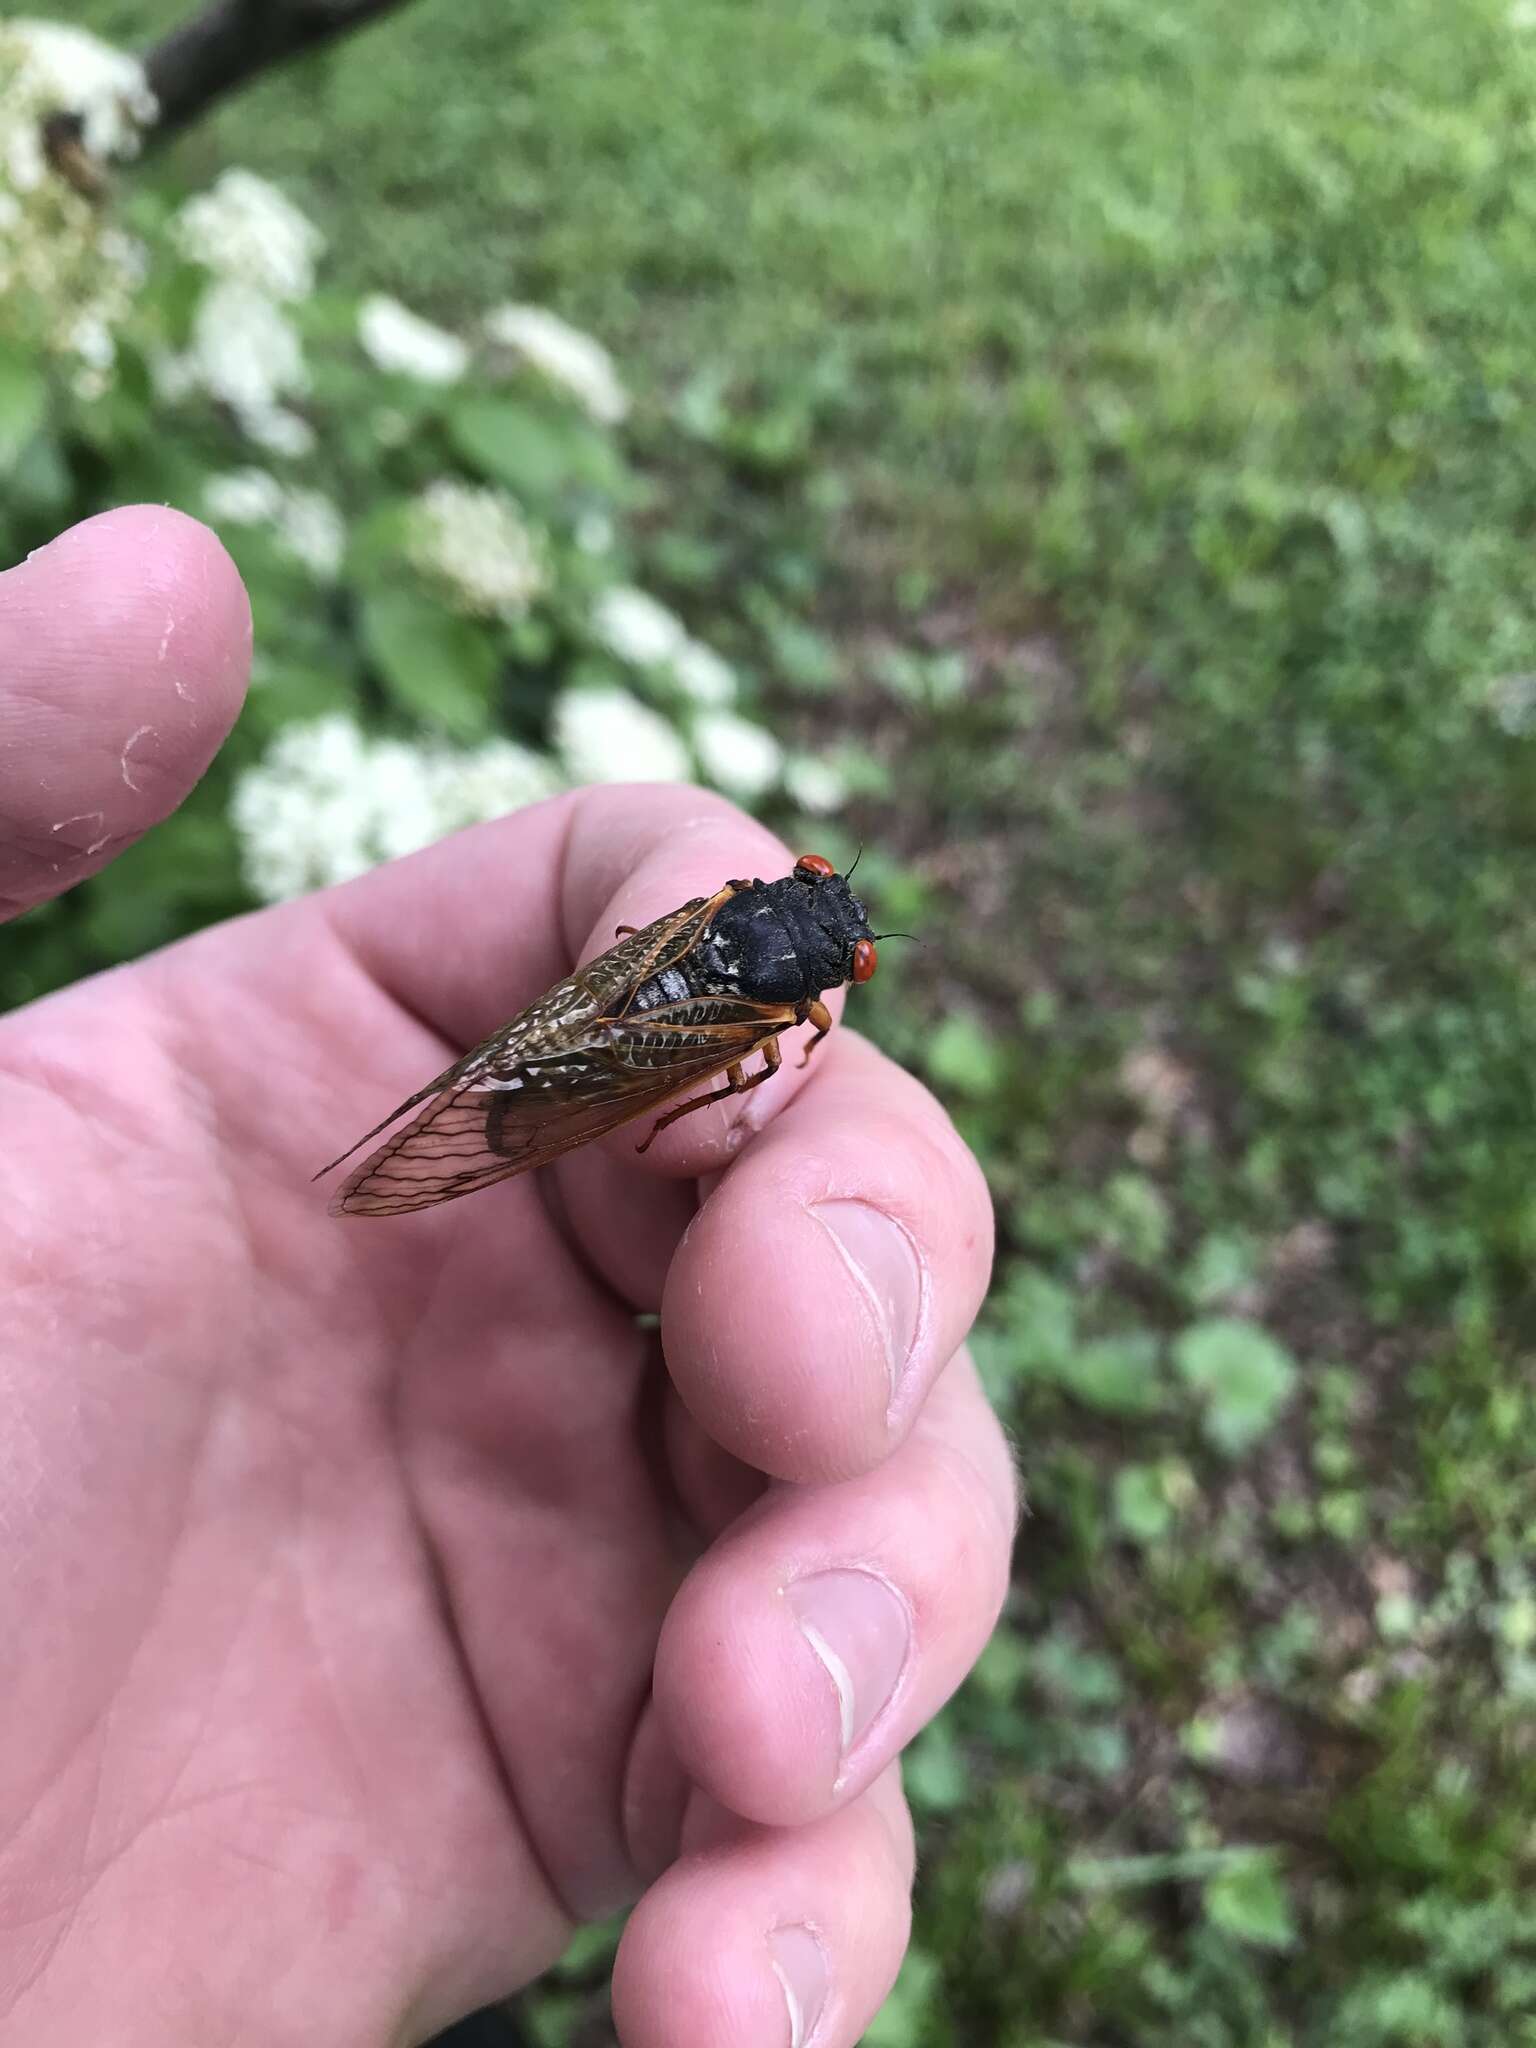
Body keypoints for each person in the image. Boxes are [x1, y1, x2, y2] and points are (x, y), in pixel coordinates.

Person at [0, 507, 1015, 2048]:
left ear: (808, 951)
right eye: (824, 910)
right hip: (635, 1028)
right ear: (811, 938)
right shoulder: (792, 1007)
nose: (834, 933)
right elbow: (762, 1042)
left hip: (629, 1023)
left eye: (841, 953)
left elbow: (732, 1015)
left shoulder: (765, 968)